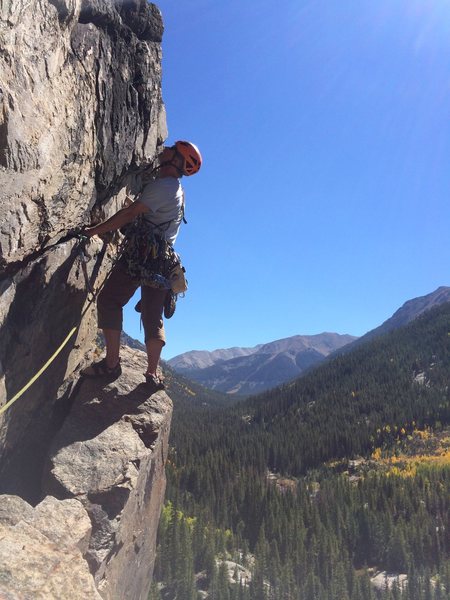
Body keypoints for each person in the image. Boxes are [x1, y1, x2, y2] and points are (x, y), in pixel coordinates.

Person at [80, 140, 202, 392]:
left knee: (110, 300)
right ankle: (152, 373)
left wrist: (94, 230)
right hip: (164, 259)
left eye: (171, 149)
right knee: (152, 314)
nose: (165, 149)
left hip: (143, 253)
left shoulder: (164, 187)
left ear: (176, 160)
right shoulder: (175, 188)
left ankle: (111, 364)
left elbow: (129, 214)